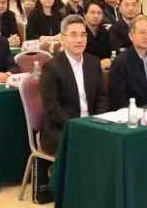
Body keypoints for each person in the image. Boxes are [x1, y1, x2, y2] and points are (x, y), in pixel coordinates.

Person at [37, 16, 104, 153]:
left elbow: (101, 98)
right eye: (73, 35)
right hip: (62, 129)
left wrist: (97, 122)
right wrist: (78, 126)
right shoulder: (51, 67)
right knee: (88, 148)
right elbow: (53, 109)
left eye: (83, 35)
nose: (79, 40)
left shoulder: (93, 62)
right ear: (63, 38)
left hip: (92, 125)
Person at [107, 15, 147, 111]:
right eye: (142, 32)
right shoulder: (120, 62)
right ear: (131, 36)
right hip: (130, 113)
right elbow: (118, 99)